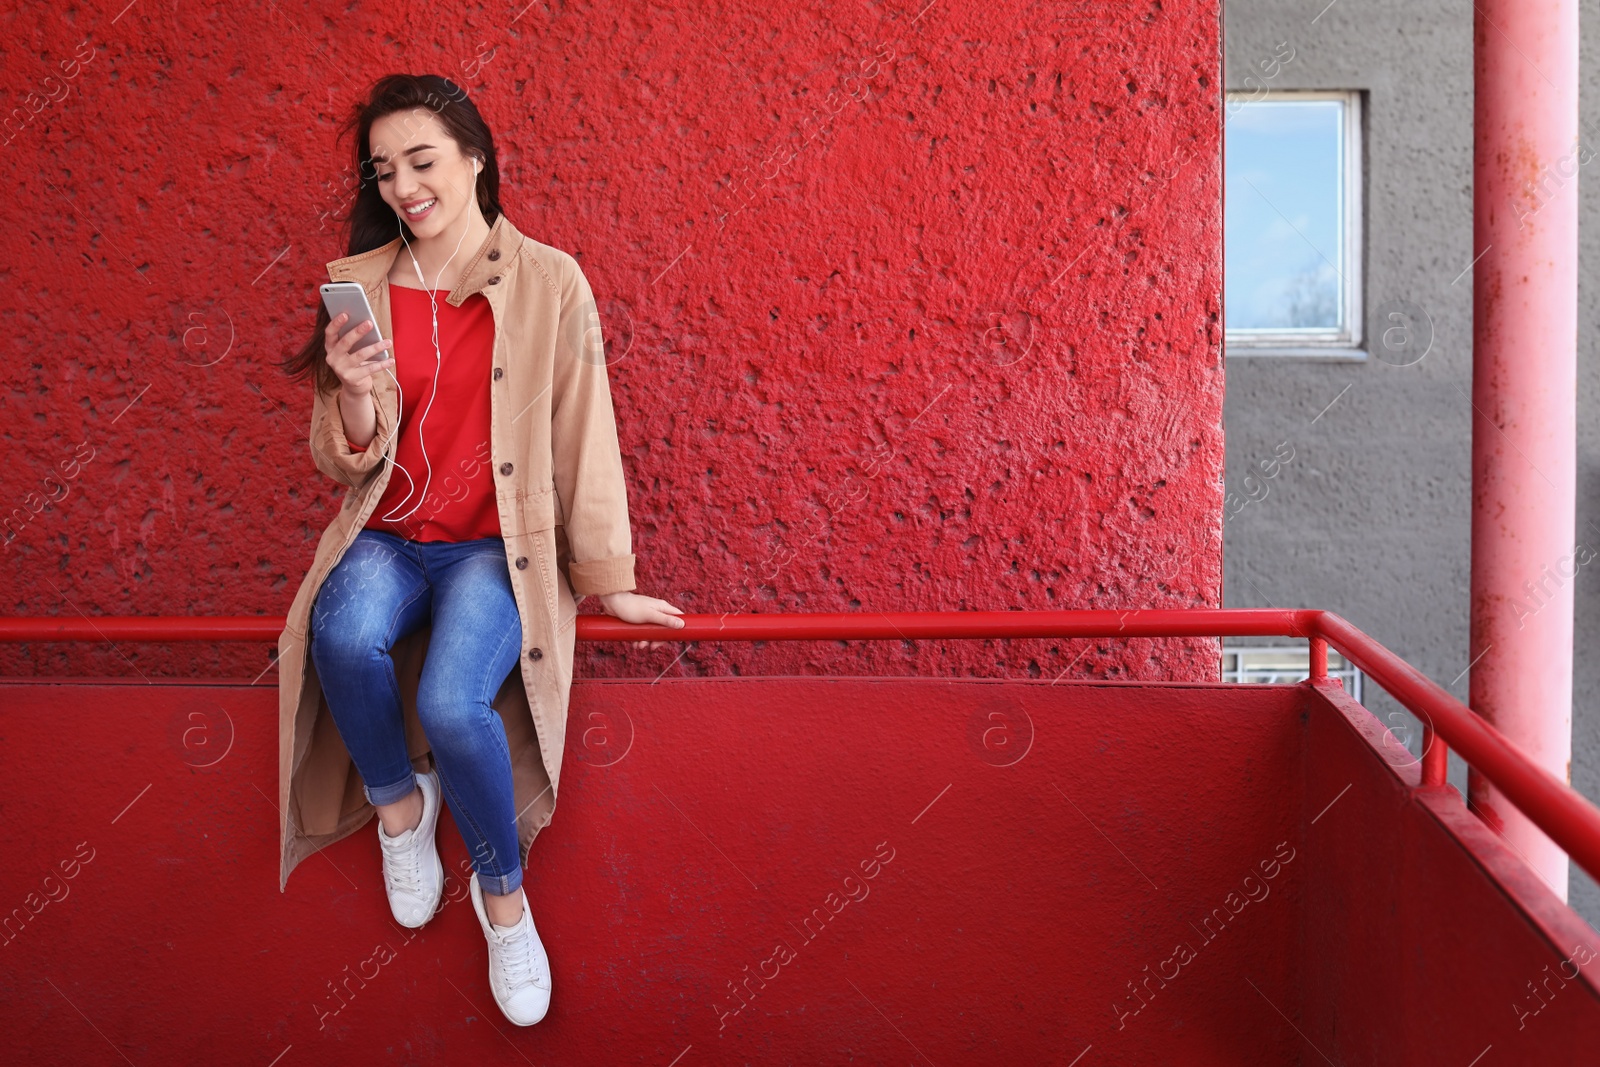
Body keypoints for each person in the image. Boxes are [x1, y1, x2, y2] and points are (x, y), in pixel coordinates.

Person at [275, 73, 683, 1028]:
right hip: (389, 532)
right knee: (338, 634)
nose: (404, 186)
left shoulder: (548, 281)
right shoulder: (362, 282)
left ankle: (504, 905)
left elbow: (586, 429)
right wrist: (353, 391)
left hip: (494, 550)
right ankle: (399, 810)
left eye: (422, 161)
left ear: (474, 156)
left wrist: (608, 579)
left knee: (455, 702)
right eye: (384, 171)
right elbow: (345, 458)